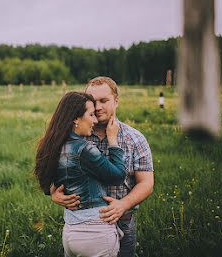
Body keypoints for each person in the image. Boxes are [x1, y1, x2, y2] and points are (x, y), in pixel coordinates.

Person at [51, 77, 154, 257]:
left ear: (116, 101)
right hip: (82, 226)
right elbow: (56, 169)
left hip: (123, 221)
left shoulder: (135, 138)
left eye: (103, 101)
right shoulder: (78, 135)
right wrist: (54, 193)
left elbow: (146, 183)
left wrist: (123, 205)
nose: (97, 107)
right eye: (92, 101)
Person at [34, 91, 127, 257]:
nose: (95, 120)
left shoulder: (53, 145)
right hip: (94, 232)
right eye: (91, 114)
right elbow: (118, 176)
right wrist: (113, 141)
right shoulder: (84, 149)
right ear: (76, 118)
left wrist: (54, 193)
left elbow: (45, 183)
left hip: (70, 232)